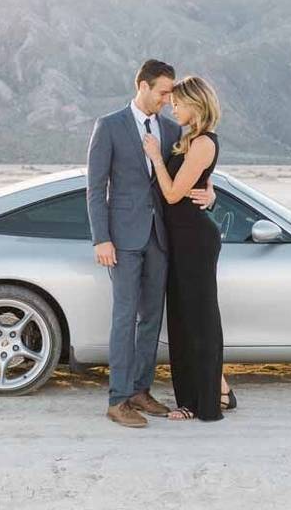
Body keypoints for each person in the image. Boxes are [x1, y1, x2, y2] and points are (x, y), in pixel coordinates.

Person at [86, 59, 217, 428]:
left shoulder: (173, 130)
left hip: (160, 237)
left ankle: (141, 390)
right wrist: (102, 238)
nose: (167, 99)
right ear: (141, 86)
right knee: (124, 317)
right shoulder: (109, 126)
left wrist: (211, 193)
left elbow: (192, 172)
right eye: (162, 92)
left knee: (151, 320)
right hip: (122, 240)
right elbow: (96, 189)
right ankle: (118, 399)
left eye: (171, 94)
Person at [143, 75, 229, 421]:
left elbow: (174, 194)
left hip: (194, 240)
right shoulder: (187, 139)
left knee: (200, 321)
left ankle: (201, 404)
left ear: (196, 104)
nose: (172, 107)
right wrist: (211, 193)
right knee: (182, 320)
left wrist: (156, 158)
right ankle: (217, 390)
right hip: (179, 239)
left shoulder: (204, 142)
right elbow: (198, 186)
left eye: (178, 103)